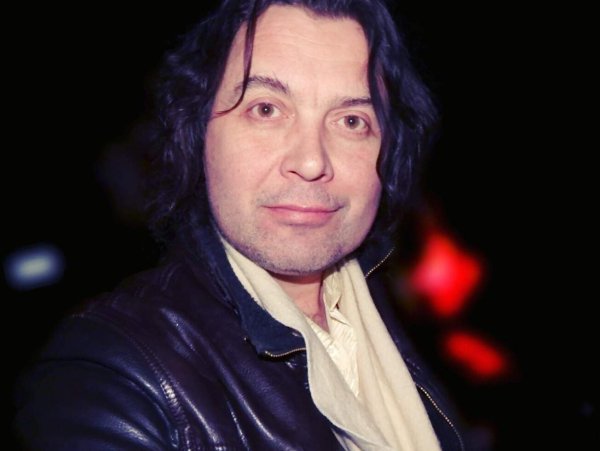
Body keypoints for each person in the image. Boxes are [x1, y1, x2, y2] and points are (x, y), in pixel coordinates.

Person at [13, 0, 466, 449]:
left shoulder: (404, 311)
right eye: (266, 110)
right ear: (198, 132)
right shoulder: (110, 372)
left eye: (351, 121)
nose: (312, 161)